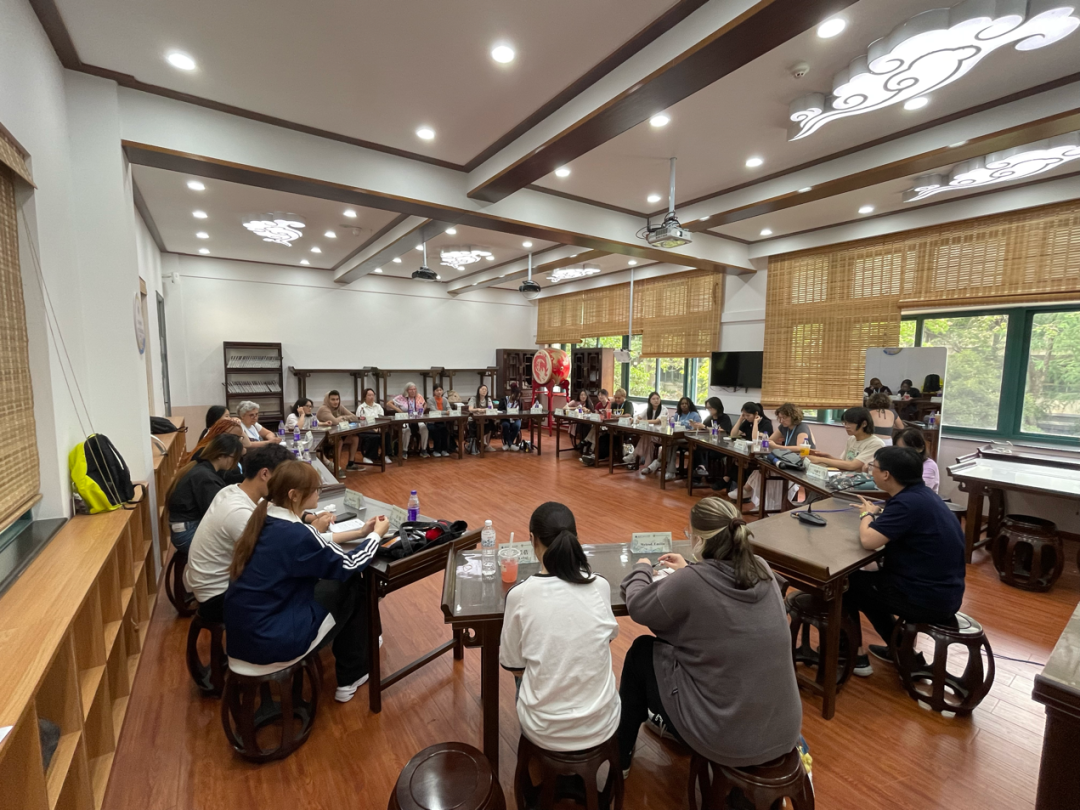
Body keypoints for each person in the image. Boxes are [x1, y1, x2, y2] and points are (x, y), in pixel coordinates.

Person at [617, 497, 802, 776]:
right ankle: (668, 721)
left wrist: (641, 568)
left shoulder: (691, 582)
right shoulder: (761, 567)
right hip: (784, 728)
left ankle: (620, 757)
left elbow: (639, 606)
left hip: (726, 736)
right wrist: (689, 568)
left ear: (700, 540)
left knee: (642, 652)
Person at [225, 461, 391, 702]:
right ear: (294, 495)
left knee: (337, 584)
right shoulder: (296, 534)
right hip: (272, 640)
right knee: (354, 582)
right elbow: (349, 564)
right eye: (315, 490)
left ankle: (367, 644)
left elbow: (311, 546)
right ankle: (352, 674)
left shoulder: (263, 518)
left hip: (243, 634)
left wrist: (361, 533)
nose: (318, 494)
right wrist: (376, 535)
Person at [500, 503, 620, 753]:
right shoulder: (600, 586)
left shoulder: (520, 595)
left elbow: (514, 665)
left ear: (532, 539)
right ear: (575, 538)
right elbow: (606, 639)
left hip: (544, 730)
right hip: (603, 723)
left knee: (525, 675)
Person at [846, 446, 966, 675]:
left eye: (873, 467)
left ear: (886, 474)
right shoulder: (922, 496)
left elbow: (868, 540)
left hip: (926, 598)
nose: (871, 471)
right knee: (869, 587)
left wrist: (866, 514)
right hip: (945, 592)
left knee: (847, 584)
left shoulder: (906, 503)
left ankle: (853, 654)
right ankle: (901, 650)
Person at [184, 444, 293, 621]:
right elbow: (276, 554)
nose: (284, 485)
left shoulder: (232, 490)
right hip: (218, 596)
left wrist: (308, 518)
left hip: (212, 585)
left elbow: (270, 512)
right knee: (300, 582)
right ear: (265, 474)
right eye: (282, 478)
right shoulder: (238, 512)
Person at [166, 434, 244, 552]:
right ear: (221, 456)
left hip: (185, 528)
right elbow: (215, 513)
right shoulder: (205, 477)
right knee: (238, 548)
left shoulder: (200, 468)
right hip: (188, 532)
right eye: (234, 458)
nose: (235, 462)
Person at [743, 403, 816, 511]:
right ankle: (763, 503)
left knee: (764, 474)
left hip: (801, 463)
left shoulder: (802, 427)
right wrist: (757, 428)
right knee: (760, 471)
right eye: (780, 418)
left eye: (784, 418)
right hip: (788, 460)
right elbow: (769, 441)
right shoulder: (783, 427)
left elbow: (801, 448)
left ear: (793, 416)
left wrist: (777, 447)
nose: (781, 421)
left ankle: (757, 498)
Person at [808, 407, 884, 472]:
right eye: (845, 423)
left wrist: (821, 460)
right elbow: (845, 463)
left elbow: (852, 466)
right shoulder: (852, 439)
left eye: (850, 423)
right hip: (846, 477)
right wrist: (827, 456)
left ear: (864, 424)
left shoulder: (876, 443)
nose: (846, 426)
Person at [722, 403, 773, 492]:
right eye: (744, 415)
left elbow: (755, 439)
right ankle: (735, 485)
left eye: (748, 415)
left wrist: (755, 422)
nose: (746, 417)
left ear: (756, 414)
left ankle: (734, 485)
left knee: (740, 462)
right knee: (738, 461)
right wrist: (740, 419)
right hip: (748, 450)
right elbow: (733, 434)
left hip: (761, 452)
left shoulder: (766, 423)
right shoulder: (747, 422)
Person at [581, 388, 633, 465]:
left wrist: (615, 416)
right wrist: (610, 405)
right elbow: (607, 414)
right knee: (602, 438)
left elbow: (628, 415)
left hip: (624, 431)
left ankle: (596, 458)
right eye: (616, 398)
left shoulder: (628, 404)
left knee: (610, 440)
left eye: (619, 398)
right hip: (613, 429)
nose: (617, 399)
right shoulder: (614, 404)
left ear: (624, 397)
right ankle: (595, 457)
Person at [316, 390, 362, 474]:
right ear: (327, 400)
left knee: (355, 438)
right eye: (333, 399)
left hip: (337, 434)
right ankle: (336, 468)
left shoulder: (339, 406)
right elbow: (335, 422)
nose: (336, 402)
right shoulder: (323, 409)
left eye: (337, 399)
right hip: (324, 438)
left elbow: (354, 417)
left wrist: (342, 418)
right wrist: (343, 419)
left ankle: (351, 464)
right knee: (339, 441)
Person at [690, 397, 732, 483]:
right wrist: (696, 426)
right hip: (710, 444)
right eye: (707, 408)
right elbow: (703, 429)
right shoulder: (709, 418)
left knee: (704, 450)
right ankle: (697, 474)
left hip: (721, 445)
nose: (709, 410)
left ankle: (702, 470)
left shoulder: (725, 418)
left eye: (710, 407)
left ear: (717, 407)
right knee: (695, 448)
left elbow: (722, 431)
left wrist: (704, 427)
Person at [662, 397, 700, 481]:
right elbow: (671, 425)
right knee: (671, 443)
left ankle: (661, 463)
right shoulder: (677, 414)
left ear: (689, 405)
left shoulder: (694, 415)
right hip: (677, 437)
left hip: (689, 438)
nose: (684, 405)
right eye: (682, 404)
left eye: (686, 403)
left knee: (671, 443)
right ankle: (670, 471)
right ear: (679, 405)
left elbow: (698, 428)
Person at [185, 415, 249, 464]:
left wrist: (238, 426)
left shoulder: (227, 450)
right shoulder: (206, 452)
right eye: (234, 437)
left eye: (238, 437)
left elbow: (247, 444)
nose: (236, 441)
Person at [388, 382, 429, 458]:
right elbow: (389, 403)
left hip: (417, 419)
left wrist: (423, 410)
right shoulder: (401, 397)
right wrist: (398, 410)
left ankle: (423, 450)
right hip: (405, 419)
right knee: (406, 431)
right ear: (407, 390)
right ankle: (404, 451)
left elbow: (425, 404)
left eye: (414, 389)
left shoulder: (419, 396)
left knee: (424, 429)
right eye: (411, 389)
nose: (413, 391)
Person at [894, 428, 939, 492]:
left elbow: (918, 490)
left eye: (907, 450)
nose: (902, 454)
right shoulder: (896, 462)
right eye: (898, 450)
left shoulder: (929, 465)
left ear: (921, 448)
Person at [356, 388, 391, 465]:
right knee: (373, 436)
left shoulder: (378, 406)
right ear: (365, 397)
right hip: (365, 429)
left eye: (373, 395)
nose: (371, 397)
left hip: (378, 427)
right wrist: (372, 428)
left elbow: (382, 419)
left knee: (386, 434)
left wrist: (378, 428)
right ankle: (368, 457)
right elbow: (360, 421)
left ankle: (385, 455)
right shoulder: (361, 407)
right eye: (369, 395)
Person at [636, 392, 667, 475]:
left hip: (661, 435)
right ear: (650, 400)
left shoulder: (664, 409)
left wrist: (642, 421)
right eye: (653, 399)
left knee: (647, 436)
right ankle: (647, 466)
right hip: (651, 435)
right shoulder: (648, 409)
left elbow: (657, 421)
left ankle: (634, 456)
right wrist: (634, 419)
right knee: (649, 440)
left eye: (658, 398)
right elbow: (639, 417)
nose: (656, 400)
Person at [467, 384, 496, 453]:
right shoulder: (473, 399)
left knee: (491, 423)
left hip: (485, 419)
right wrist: (478, 409)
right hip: (474, 420)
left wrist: (484, 410)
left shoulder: (488, 399)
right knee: (478, 425)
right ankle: (482, 441)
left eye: (485, 390)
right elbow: (470, 409)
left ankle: (486, 443)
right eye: (482, 389)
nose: (484, 391)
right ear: (478, 390)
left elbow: (491, 409)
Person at [427, 384, 454, 457]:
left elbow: (449, 409)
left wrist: (449, 411)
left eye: (440, 390)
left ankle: (444, 450)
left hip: (442, 421)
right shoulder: (430, 400)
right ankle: (436, 450)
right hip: (432, 422)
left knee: (445, 431)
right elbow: (434, 411)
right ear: (434, 392)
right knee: (436, 432)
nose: (439, 392)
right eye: (437, 390)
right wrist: (445, 412)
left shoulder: (445, 399)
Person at [500, 384, 523, 451]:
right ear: (512, 394)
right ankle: (511, 444)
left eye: (519, 396)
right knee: (505, 425)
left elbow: (521, 412)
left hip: (516, 419)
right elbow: (500, 410)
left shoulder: (519, 401)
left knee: (517, 425)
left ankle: (508, 444)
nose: (518, 398)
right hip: (506, 419)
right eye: (516, 396)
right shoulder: (504, 400)